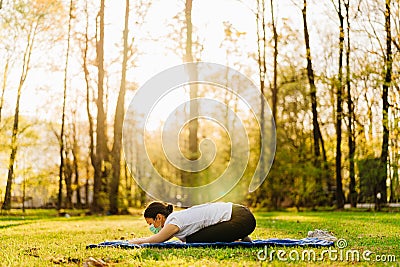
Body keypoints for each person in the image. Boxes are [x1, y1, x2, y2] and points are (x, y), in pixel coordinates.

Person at [129, 202, 256, 244]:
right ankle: (241, 236)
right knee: (192, 238)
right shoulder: (176, 218)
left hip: (240, 217)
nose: (151, 228)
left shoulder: (173, 221)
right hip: (241, 215)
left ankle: (240, 236)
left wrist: (137, 241)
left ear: (159, 217)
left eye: (150, 224)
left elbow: (159, 238)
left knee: (193, 239)